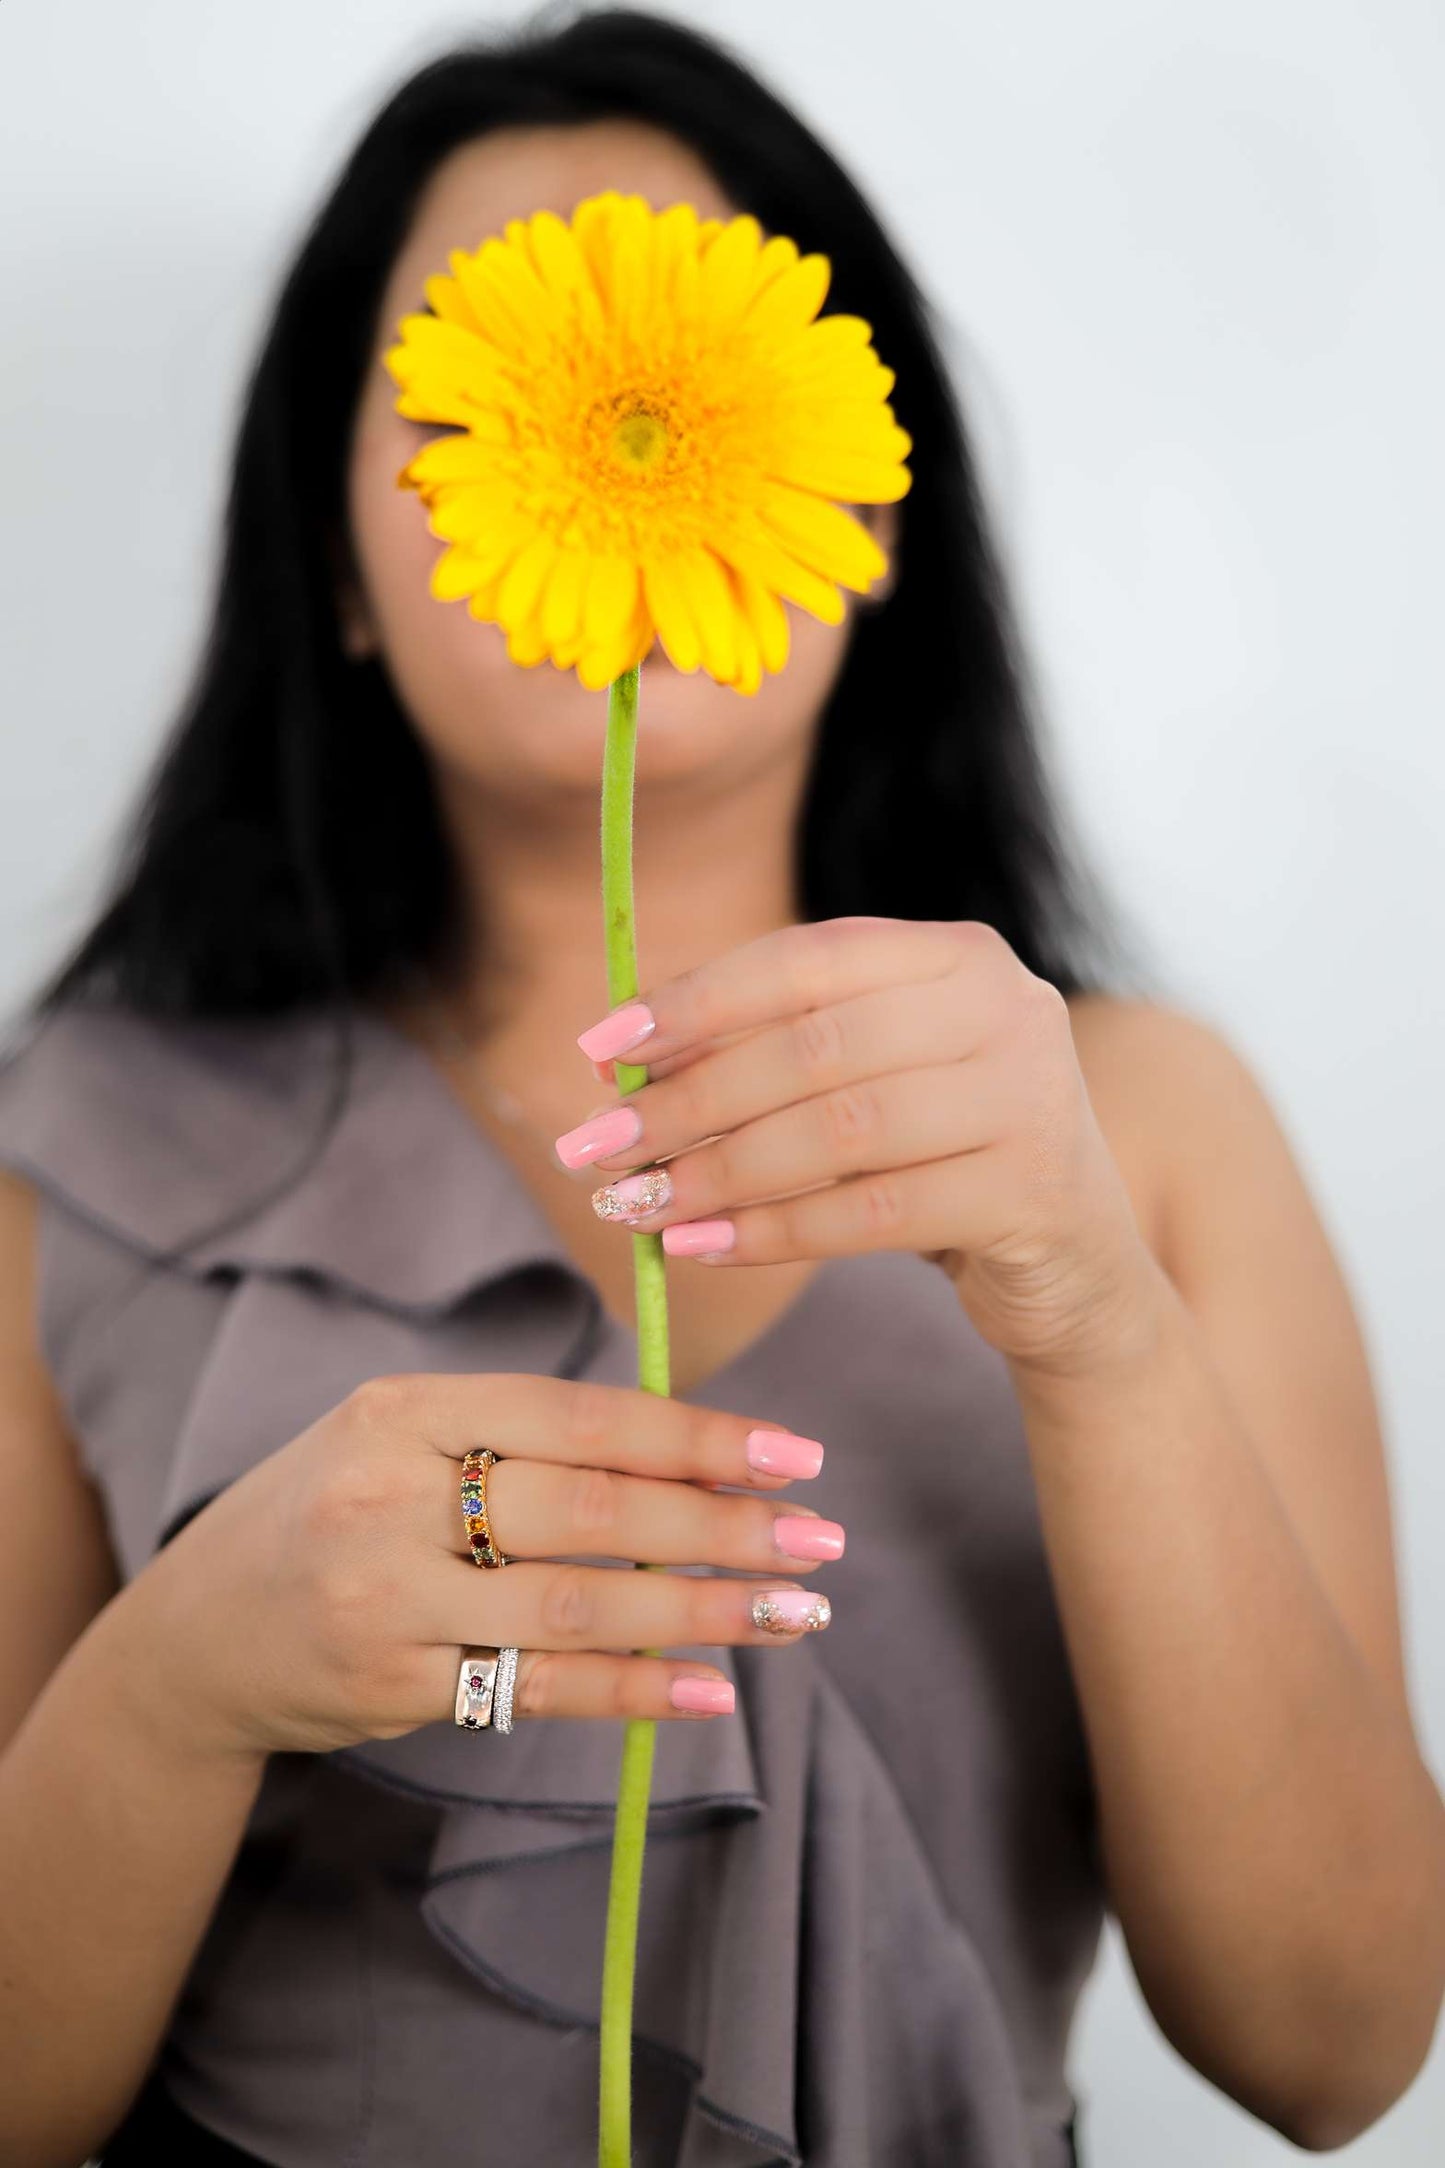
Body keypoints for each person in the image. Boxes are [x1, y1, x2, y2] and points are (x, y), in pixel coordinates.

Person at [1, 10, 1441, 2166]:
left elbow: (1334, 2048)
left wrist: (1095, 1315)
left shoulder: (1144, 1127)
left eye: (700, 370)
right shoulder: (64, 1158)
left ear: (864, 513)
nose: (619, 420)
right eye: (479, 390)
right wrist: (185, 1673)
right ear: (342, 577)